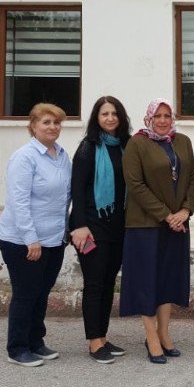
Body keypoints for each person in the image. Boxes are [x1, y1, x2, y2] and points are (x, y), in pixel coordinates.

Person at [120, 98, 194, 364]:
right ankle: (151, 337)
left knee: (168, 280)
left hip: (177, 224)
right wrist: (166, 215)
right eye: (158, 116)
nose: (163, 120)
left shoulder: (183, 141)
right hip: (146, 225)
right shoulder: (137, 143)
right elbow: (135, 184)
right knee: (147, 281)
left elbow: (191, 178)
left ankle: (165, 334)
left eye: (167, 115)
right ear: (149, 118)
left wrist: (186, 211)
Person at [0, 103, 71, 367]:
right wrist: (31, 238)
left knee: (42, 293)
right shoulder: (24, 157)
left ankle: (36, 342)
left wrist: (66, 232)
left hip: (53, 239)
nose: (53, 127)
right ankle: (17, 348)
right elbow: (19, 201)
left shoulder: (61, 155)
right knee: (26, 293)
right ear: (33, 126)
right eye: (46, 122)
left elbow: (65, 197)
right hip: (23, 240)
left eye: (57, 123)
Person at [68, 96, 131, 364]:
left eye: (114, 113)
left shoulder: (126, 146)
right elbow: (78, 191)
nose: (110, 118)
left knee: (108, 284)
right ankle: (94, 343)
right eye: (104, 114)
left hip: (118, 227)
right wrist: (79, 225)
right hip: (92, 227)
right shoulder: (88, 148)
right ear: (96, 117)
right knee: (94, 284)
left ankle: (102, 336)